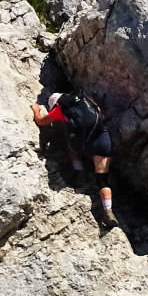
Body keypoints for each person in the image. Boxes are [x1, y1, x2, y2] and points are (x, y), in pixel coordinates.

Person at [32, 90, 115, 228]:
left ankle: (79, 171)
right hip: (103, 140)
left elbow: (41, 121)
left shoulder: (60, 108)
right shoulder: (85, 99)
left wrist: (36, 109)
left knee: (71, 148)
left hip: (85, 144)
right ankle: (108, 211)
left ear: (55, 103)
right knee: (102, 178)